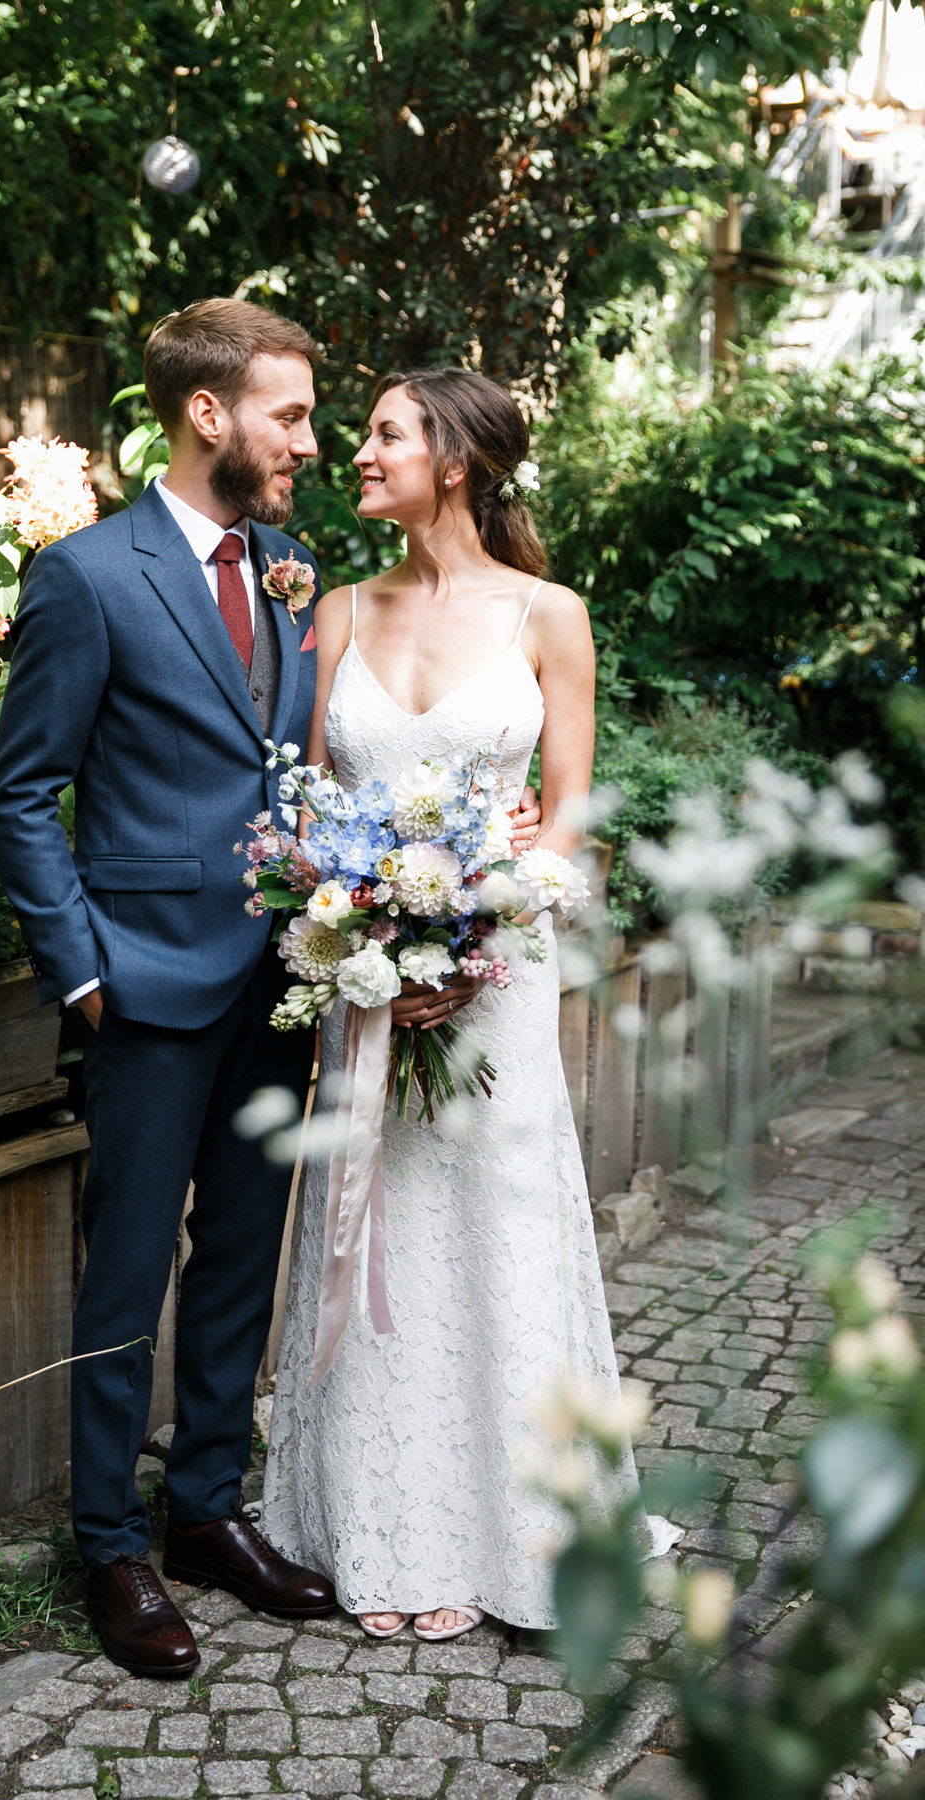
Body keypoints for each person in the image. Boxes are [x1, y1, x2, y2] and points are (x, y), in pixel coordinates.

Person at [262, 366, 664, 1641]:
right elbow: (305, 823)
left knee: (493, 1239)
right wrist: (359, 929)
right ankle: (385, 1530)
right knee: (374, 1235)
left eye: (384, 434)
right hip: (368, 983)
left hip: (497, 989)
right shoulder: (333, 613)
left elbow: (574, 827)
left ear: (457, 458)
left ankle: (521, 1535)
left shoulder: (552, 614)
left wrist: (474, 939)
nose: (358, 453)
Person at [0, 298, 342, 1677]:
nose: (306, 441)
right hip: (139, 990)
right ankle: (112, 1548)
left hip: (279, 983)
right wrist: (80, 972)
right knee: (127, 1277)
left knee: (241, 1264)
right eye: (290, 415)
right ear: (211, 415)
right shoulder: (88, 575)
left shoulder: (293, 569)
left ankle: (204, 1513)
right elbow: (24, 794)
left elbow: (287, 768)